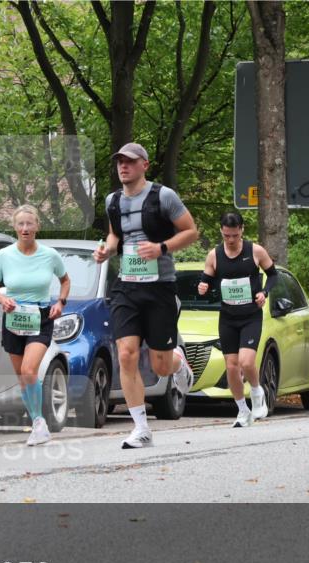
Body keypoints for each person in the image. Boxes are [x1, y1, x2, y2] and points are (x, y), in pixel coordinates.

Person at [93, 142, 198, 449]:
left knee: (160, 365)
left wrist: (161, 247)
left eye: (129, 161)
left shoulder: (163, 196)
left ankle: (179, 363)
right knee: (125, 354)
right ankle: (141, 428)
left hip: (160, 286)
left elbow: (191, 231)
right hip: (127, 286)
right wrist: (108, 248)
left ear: (144, 165)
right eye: (119, 162)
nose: (123, 166)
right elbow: (115, 233)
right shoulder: (113, 200)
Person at [0, 205, 70, 445]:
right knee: (23, 376)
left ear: (37, 227)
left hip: (40, 317)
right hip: (13, 317)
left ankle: (40, 423)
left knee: (29, 370)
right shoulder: (4, 256)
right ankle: (37, 422)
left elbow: (65, 280)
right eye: (21, 224)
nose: (25, 229)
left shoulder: (49, 255)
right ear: (14, 227)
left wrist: (60, 303)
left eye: (29, 224)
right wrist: (3, 299)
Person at [197, 211, 277, 427]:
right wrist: (202, 286)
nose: (230, 240)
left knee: (246, 361)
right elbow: (206, 280)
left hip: (251, 315)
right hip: (228, 317)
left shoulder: (255, 251)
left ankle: (257, 390)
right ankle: (242, 410)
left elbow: (273, 275)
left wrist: (264, 293)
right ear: (221, 233)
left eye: (234, 235)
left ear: (241, 230)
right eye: (226, 236)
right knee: (231, 366)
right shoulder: (214, 255)